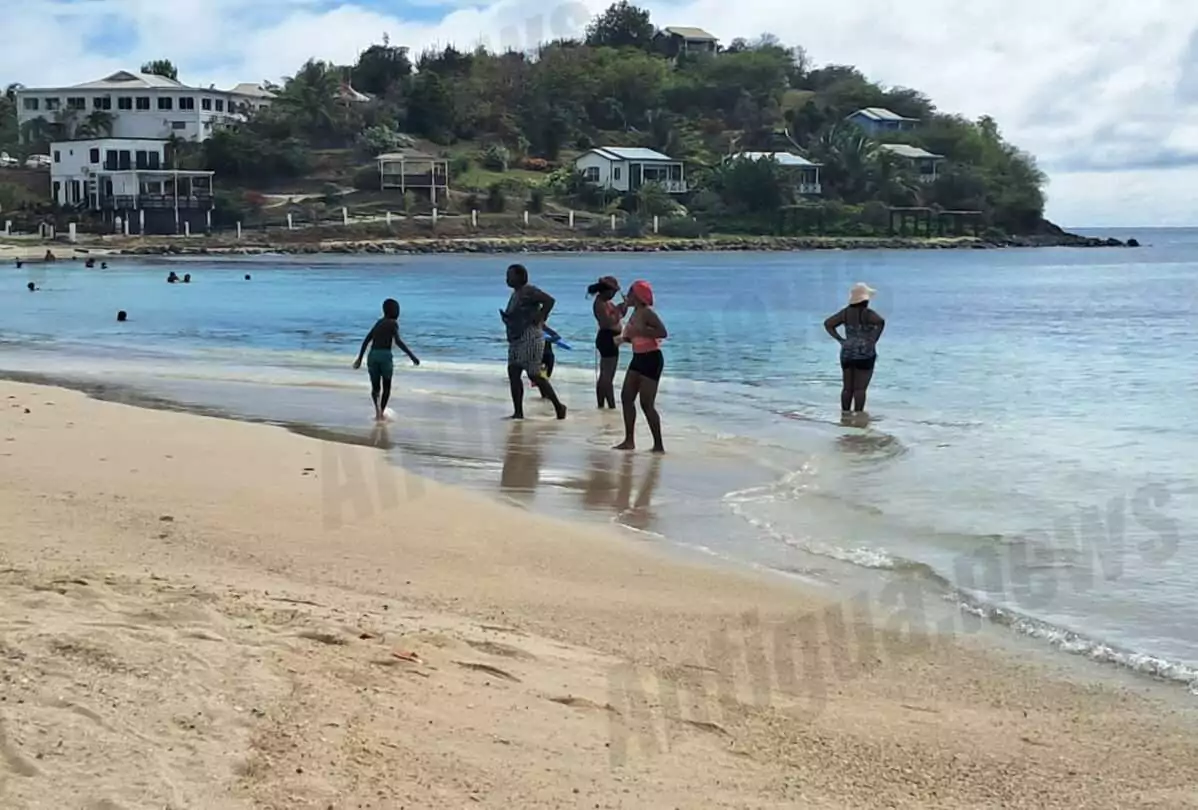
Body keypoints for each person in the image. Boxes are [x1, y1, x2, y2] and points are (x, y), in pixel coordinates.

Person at [500, 263, 566, 420]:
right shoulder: (516, 293)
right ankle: (518, 412)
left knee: (534, 374)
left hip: (530, 336)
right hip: (516, 338)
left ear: (520, 277)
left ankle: (558, 406)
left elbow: (549, 300)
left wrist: (542, 316)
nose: (507, 278)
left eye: (510, 275)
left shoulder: (529, 290)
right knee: (513, 372)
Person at [613, 280, 667, 453]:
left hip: (652, 358)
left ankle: (658, 445)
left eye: (629, 293)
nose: (626, 296)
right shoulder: (634, 312)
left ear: (636, 296)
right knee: (626, 397)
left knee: (646, 403)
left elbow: (662, 332)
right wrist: (623, 340)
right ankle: (629, 441)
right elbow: (635, 336)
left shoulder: (647, 312)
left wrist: (640, 331)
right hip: (638, 358)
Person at [353, 298, 420, 421]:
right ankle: (381, 412)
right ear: (395, 311)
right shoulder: (393, 323)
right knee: (387, 387)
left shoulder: (379, 323)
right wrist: (412, 356)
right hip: (385, 356)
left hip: (372, 356)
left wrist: (359, 358)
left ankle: (377, 411)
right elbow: (398, 341)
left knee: (375, 388)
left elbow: (367, 340)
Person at [825, 282, 885, 416]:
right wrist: (873, 339)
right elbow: (880, 321)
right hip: (865, 353)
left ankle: (845, 414)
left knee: (847, 388)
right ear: (865, 299)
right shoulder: (868, 313)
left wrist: (841, 340)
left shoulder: (845, 313)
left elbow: (828, 324)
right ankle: (858, 416)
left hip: (847, 351)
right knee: (860, 389)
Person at [588, 275, 623, 409]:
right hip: (608, 337)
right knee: (608, 376)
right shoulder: (600, 304)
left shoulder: (604, 302)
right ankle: (609, 405)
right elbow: (609, 321)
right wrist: (620, 311)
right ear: (607, 291)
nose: (614, 295)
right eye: (613, 292)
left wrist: (621, 308)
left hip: (608, 337)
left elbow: (616, 315)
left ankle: (603, 405)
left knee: (604, 374)